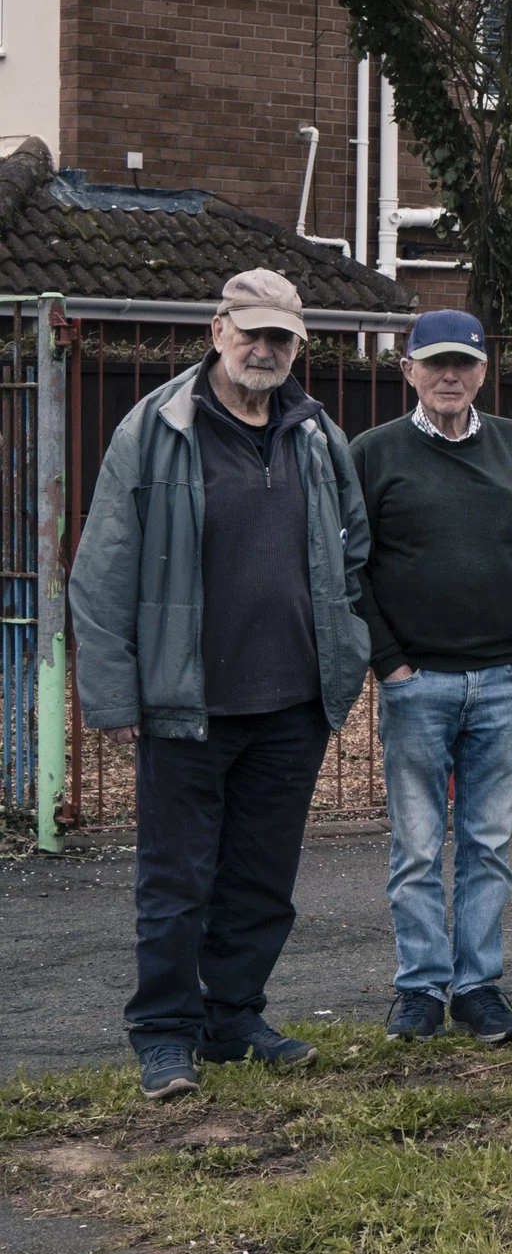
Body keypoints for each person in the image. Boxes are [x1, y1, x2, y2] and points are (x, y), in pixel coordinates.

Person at [70, 269, 372, 1099]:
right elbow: (100, 575)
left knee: (261, 880)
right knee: (177, 882)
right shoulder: (156, 429)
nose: (265, 351)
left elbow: (351, 551)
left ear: (297, 346)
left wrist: (340, 643)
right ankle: (164, 1034)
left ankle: (234, 1018)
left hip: (292, 704)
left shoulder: (315, 434)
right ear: (217, 330)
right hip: (185, 703)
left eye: (282, 339)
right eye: (253, 334)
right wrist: (113, 695)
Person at [351, 310, 512, 1045]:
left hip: (508, 678)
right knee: (416, 847)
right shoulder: (373, 453)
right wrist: (392, 665)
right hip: (419, 684)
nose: (450, 376)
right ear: (408, 369)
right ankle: (420, 990)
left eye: (464, 364)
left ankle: (478, 986)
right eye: (435, 363)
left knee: (488, 843)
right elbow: (352, 573)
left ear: (484, 372)